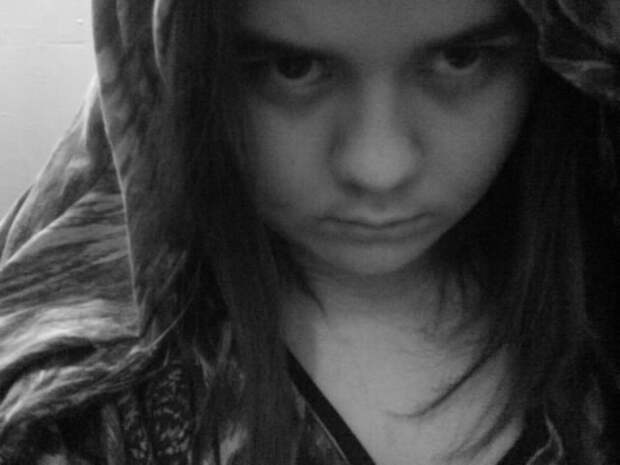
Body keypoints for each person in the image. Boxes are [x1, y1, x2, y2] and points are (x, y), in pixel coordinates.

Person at [0, 0, 618, 464]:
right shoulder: (78, 412)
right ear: (180, 72)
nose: (379, 167)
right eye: (292, 68)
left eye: (461, 58)